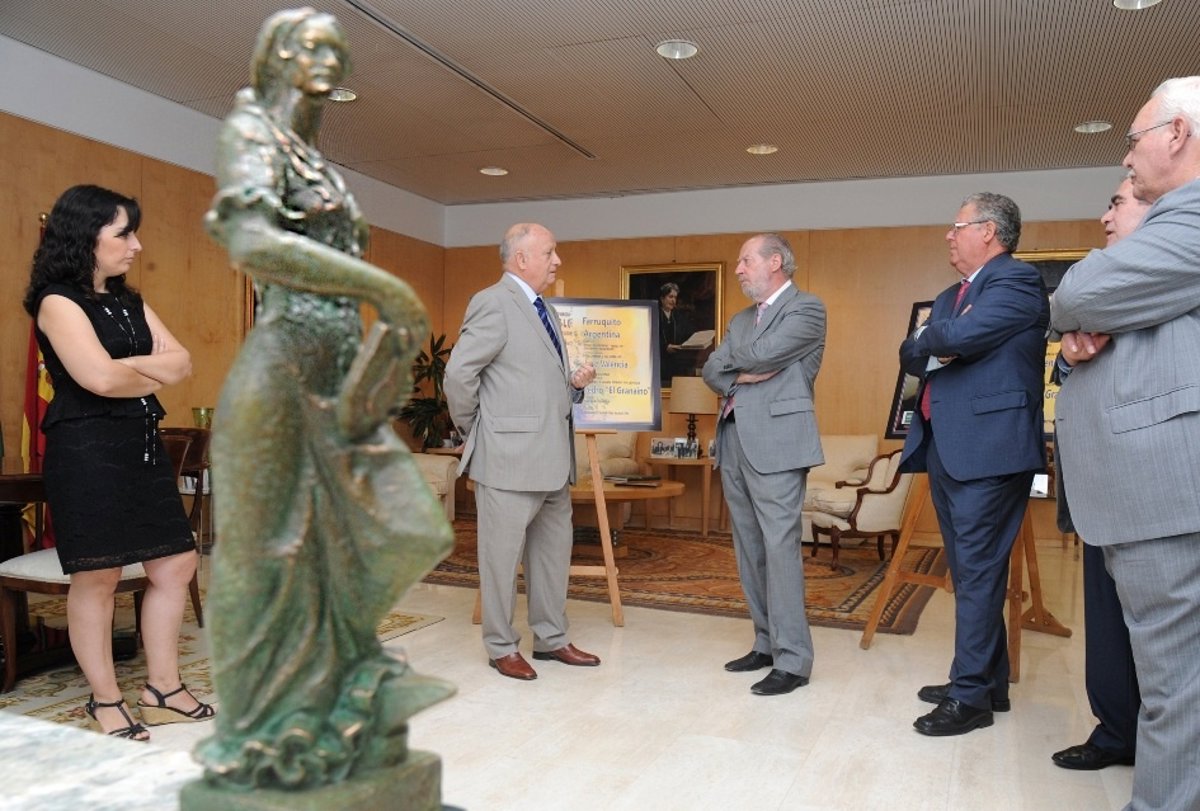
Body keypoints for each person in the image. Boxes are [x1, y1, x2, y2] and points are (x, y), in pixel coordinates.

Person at [199, 9, 454, 789]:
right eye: (312, 45)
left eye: (338, 49)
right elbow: (251, 242)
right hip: (281, 369)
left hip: (337, 375)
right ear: (276, 55)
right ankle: (255, 728)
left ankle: (332, 689)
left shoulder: (311, 156)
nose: (329, 59)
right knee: (264, 552)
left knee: (386, 531)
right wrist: (385, 289)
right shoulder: (250, 132)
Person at [1051, 76, 1200, 811]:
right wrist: (1075, 343)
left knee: (1175, 689)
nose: (1128, 155)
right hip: (1143, 492)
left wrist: (1082, 305)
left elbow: (1075, 294)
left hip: (1164, 490)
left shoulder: (1191, 215)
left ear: (1178, 133)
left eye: (1135, 138)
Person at [23, 184, 210, 740]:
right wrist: (145, 369)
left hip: (141, 445)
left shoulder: (129, 300)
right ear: (86, 237)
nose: (136, 245)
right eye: (124, 234)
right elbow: (98, 380)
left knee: (176, 564)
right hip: (87, 452)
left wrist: (124, 369)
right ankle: (104, 700)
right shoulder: (57, 301)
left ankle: (162, 690)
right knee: (99, 574)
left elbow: (182, 363)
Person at [899, 192, 1048, 736]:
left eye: (957, 225)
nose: (949, 234)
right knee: (969, 572)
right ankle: (988, 683)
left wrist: (936, 338)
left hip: (990, 448)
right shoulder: (950, 294)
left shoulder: (1017, 281)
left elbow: (960, 336)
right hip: (946, 446)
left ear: (988, 231)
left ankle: (969, 700)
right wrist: (936, 341)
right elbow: (911, 354)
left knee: (979, 572)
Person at [444, 223, 600, 681]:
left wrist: (573, 386)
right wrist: (478, 430)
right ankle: (501, 646)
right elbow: (458, 376)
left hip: (553, 461)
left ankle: (551, 638)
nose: (557, 261)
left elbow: (535, 381)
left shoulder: (544, 308)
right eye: (550, 253)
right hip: (508, 461)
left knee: (552, 558)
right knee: (500, 561)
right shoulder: (493, 302)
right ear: (522, 258)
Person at [1048, 177, 1148, 772]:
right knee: (1107, 624)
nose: (1105, 217)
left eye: (1118, 204)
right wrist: (1066, 356)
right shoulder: (1110, 275)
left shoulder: (1166, 270)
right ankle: (1116, 732)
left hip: (1150, 479)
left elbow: (1069, 303)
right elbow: (1068, 349)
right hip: (1097, 484)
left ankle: (1161, 757)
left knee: (1162, 640)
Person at [702, 233, 826, 696]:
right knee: (749, 547)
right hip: (734, 438)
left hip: (779, 442)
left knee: (779, 547)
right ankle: (766, 642)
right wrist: (742, 372)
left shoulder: (806, 309)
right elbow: (710, 370)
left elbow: (763, 354)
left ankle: (793, 660)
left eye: (745, 261)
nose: (738, 269)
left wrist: (738, 363)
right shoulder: (739, 319)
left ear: (775, 262)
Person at [658, 281, 694, 386]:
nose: (673, 300)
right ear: (662, 298)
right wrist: (665, 347)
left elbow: (686, 335)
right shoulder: (654, 315)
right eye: (670, 297)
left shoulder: (679, 317)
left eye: (675, 297)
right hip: (660, 363)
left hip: (677, 363)